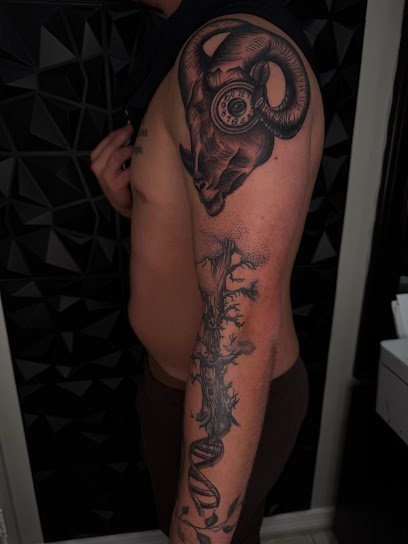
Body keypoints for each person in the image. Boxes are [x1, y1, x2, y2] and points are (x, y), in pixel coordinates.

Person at [90, 1, 324, 542]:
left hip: (228, 406)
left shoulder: (238, 46)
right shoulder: (182, 42)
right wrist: (142, 202)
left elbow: (239, 326)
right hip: (169, 385)